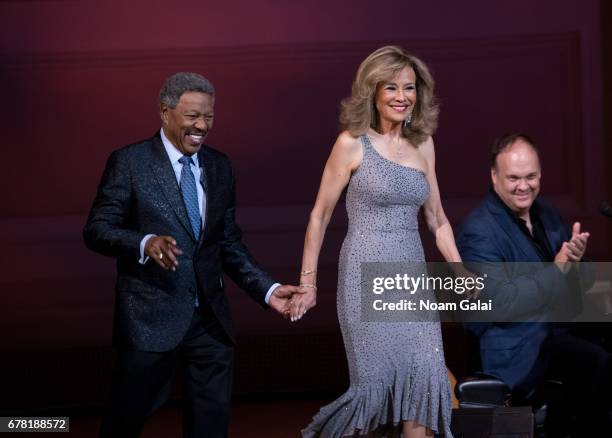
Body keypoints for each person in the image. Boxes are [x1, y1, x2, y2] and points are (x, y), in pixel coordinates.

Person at [83, 72, 298, 438]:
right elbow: (97, 229)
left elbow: (226, 242)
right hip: (149, 321)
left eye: (209, 117)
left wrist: (267, 289)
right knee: (124, 422)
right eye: (192, 116)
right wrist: (145, 242)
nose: (202, 126)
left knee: (210, 427)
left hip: (210, 322)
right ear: (165, 112)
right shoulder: (130, 162)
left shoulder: (219, 166)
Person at [293, 46, 460, 438]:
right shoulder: (352, 143)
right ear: (372, 91)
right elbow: (319, 215)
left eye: (409, 88)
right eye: (391, 88)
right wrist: (309, 283)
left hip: (412, 282)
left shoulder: (424, 144)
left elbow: (437, 219)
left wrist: (459, 270)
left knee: (426, 380)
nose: (402, 97)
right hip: (365, 276)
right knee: (371, 391)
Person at [456, 133, 611, 436]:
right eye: (513, 178)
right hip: (519, 347)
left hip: (559, 327)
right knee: (597, 362)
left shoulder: (547, 213)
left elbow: (579, 276)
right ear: (494, 176)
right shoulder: (479, 231)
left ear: (540, 174)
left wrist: (577, 263)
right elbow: (498, 302)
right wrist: (557, 270)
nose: (523, 186)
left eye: (530, 176)